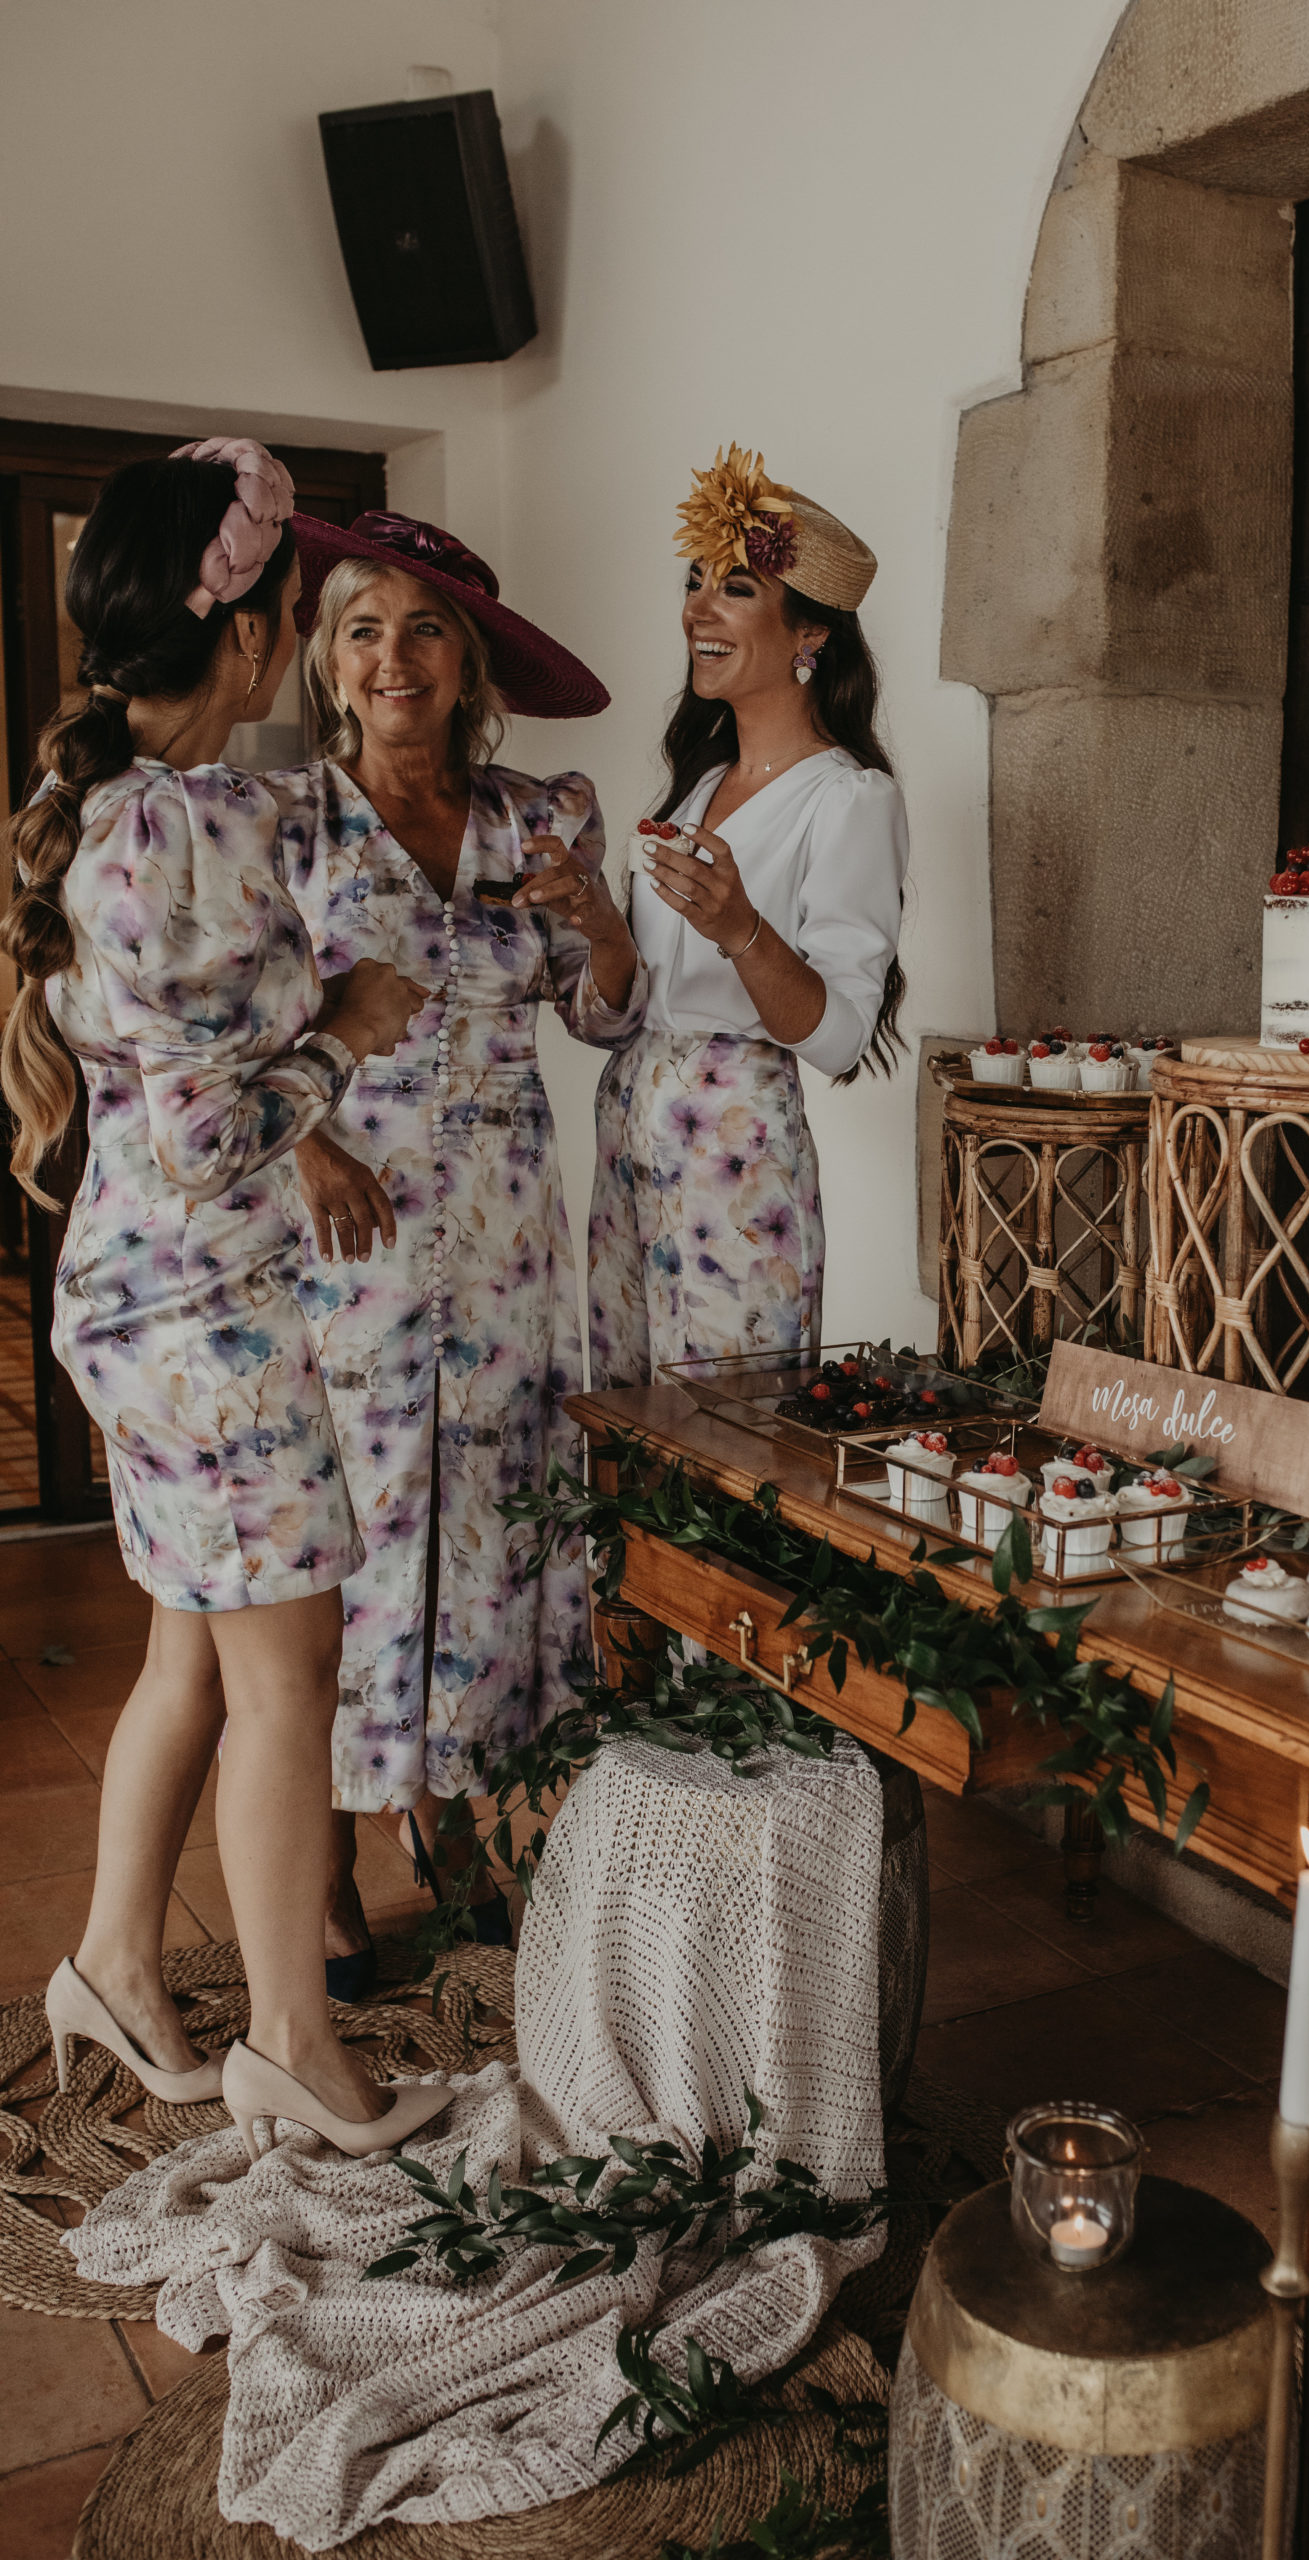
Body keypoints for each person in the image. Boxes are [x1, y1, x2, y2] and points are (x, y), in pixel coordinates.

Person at [5, 441, 448, 2158]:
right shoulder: (187, 826)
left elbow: (166, 1072)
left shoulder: (116, 816)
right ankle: (291, 2045)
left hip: (130, 1302)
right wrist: (346, 1029)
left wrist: (313, 1004)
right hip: (206, 1316)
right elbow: (207, 1131)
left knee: (188, 1653)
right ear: (256, 636)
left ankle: (118, 1959)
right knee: (287, 1684)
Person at [270, 512, 644, 1989]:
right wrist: (301, 1143)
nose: (392, 656)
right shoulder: (285, 828)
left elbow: (600, 1014)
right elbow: (223, 1032)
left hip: (499, 1237)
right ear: (326, 660)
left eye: (424, 628)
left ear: (469, 661)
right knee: (356, 1537)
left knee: (486, 1521)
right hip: (343, 1227)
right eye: (363, 627)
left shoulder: (542, 815)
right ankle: (335, 1861)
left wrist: (601, 921)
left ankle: (460, 1808)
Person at [580, 448, 906, 1384]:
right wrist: (595, 918)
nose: (697, 611)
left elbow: (840, 1038)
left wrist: (743, 932)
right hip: (632, 1125)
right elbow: (627, 1008)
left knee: (728, 1433)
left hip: (735, 1150)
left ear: (810, 635)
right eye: (693, 585)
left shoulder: (848, 800)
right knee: (629, 1421)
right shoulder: (694, 791)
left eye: (733, 588)